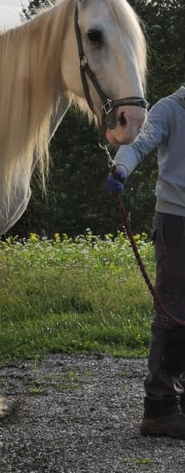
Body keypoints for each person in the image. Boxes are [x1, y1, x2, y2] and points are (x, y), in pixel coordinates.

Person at [106, 82, 185, 439]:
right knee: (173, 313)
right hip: (177, 222)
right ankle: (159, 408)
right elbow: (138, 142)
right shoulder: (171, 108)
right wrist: (120, 169)